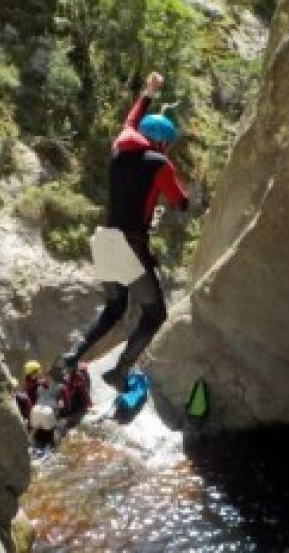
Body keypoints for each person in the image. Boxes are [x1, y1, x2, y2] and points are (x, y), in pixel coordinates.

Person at [55, 71, 189, 391]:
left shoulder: (119, 150)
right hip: (131, 244)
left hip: (106, 241)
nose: (167, 150)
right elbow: (180, 202)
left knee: (114, 308)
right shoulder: (160, 164)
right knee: (155, 314)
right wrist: (177, 200)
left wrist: (148, 92)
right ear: (162, 141)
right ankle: (120, 371)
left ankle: (72, 356)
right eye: (167, 145)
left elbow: (130, 121)